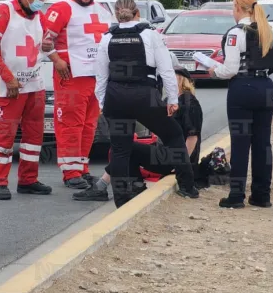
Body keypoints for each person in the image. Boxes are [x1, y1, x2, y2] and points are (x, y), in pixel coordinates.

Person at [93, 0, 197, 208]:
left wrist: (103, 104)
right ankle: (187, 186)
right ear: (136, 13)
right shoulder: (150, 35)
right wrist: (173, 99)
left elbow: (101, 77)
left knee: (120, 149)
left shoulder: (106, 39)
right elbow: (166, 70)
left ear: (116, 14)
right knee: (174, 134)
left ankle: (121, 201)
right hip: (145, 96)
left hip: (116, 97)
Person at [77, 67, 203, 202]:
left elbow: (192, 137)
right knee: (124, 147)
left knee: (126, 148)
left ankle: (104, 186)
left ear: (182, 80)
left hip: (174, 159)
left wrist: (182, 166)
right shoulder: (171, 100)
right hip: (166, 154)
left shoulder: (189, 102)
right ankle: (131, 186)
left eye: (172, 76)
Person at [41, 0, 116, 190]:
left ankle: (82, 168)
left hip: (95, 77)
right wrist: (57, 60)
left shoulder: (102, 11)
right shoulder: (62, 8)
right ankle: (70, 171)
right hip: (71, 75)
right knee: (70, 125)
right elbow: (45, 40)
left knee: (88, 125)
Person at [0, 0, 53, 199]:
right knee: (5, 135)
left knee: (33, 136)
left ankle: (28, 180)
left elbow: (44, 45)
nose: (41, 2)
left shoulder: (38, 16)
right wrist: (8, 77)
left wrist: (50, 50)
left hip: (35, 85)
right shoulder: (4, 11)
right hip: (10, 87)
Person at [208, 0, 273, 209]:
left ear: (238, 8)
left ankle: (236, 196)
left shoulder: (236, 33)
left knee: (240, 144)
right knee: (262, 144)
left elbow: (230, 69)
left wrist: (213, 70)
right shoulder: (266, 30)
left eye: (233, 8)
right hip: (266, 87)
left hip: (243, 89)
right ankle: (261, 195)